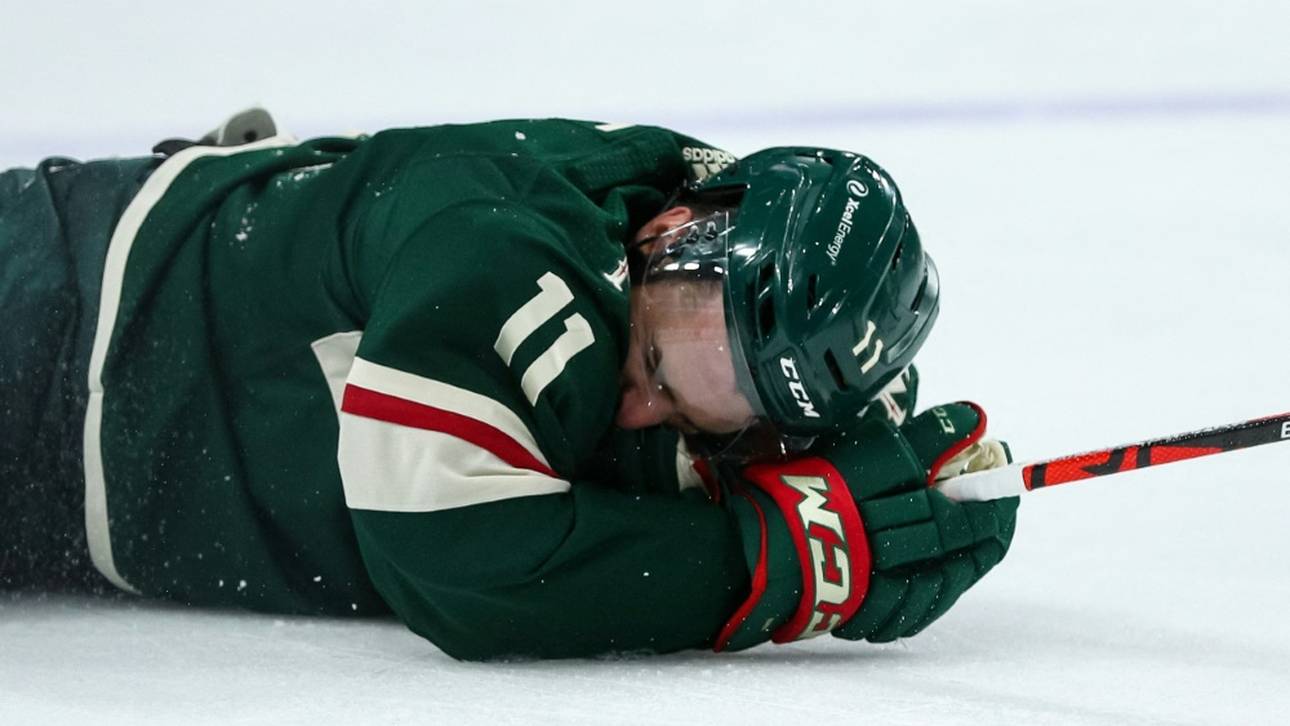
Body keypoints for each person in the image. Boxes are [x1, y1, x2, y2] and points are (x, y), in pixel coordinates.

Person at [0, 112, 1018, 660]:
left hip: (96, 419)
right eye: (655, 364)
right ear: (667, 236)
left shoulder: (691, 236)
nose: (641, 411)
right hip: (52, 326)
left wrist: (851, 470)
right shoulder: (501, 255)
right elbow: (449, 549)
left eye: (699, 415)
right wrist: (771, 559)